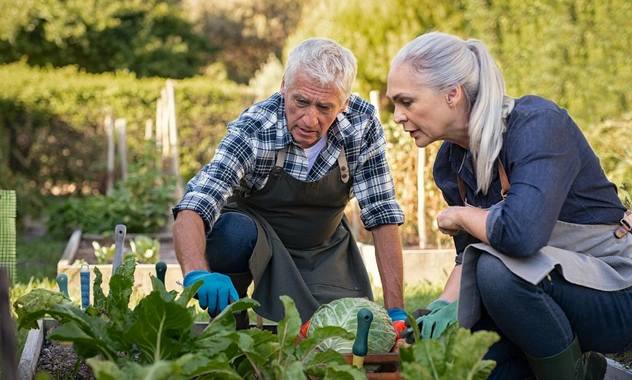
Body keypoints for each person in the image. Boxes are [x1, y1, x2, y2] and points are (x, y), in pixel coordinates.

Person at [386, 31, 632, 380]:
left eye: (406, 102)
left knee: (496, 273)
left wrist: (461, 214)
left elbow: (521, 234)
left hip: (615, 289)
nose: (397, 116)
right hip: (539, 294)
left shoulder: (537, 124)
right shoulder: (450, 163)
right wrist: (439, 312)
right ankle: (601, 374)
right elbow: (468, 255)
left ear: (452, 94)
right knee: (472, 361)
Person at [172, 37, 407, 330]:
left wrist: (397, 310)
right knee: (231, 234)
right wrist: (197, 273)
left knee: (335, 335)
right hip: (258, 241)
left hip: (323, 246)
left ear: (344, 104)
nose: (310, 119)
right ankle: (230, 325)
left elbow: (382, 212)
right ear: (284, 86)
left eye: (325, 107)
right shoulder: (256, 129)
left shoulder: (361, 124)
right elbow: (196, 202)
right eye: (301, 101)